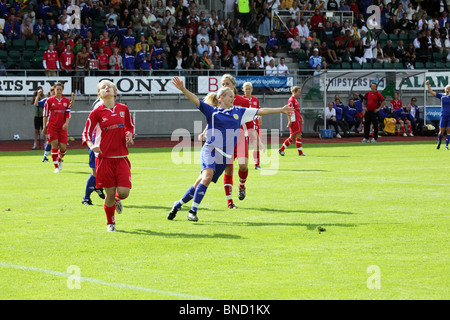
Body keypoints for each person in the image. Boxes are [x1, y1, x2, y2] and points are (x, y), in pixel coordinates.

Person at [167, 77, 292, 222]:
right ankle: (193, 211)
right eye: (230, 96)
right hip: (211, 150)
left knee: (200, 181)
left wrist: (281, 110)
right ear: (221, 98)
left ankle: (178, 204)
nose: (233, 98)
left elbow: (261, 110)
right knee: (207, 177)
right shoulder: (212, 111)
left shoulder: (239, 112)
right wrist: (182, 89)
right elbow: (195, 100)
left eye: (233, 95)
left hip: (224, 156)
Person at [81, 80, 135, 232]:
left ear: (115, 92)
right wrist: (92, 146)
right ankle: (110, 223)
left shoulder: (123, 108)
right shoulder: (97, 112)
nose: (106, 88)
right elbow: (85, 133)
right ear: (100, 94)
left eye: (109, 86)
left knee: (123, 193)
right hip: (104, 159)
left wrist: (129, 134)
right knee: (109, 194)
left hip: (121, 157)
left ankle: (118, 200)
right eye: (103, 87)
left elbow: (129, 126)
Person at [81, 98, 107, 206]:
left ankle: (98, 186)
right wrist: (91, 144)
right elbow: (90, 127)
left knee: (106, 170)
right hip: (97, 143)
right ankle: (86, 198)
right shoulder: (99, 106)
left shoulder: (115, 106)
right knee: (95, 172)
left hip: (107, 143)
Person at [42, 83, 72, 173]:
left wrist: (66, 123)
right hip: (52, 126)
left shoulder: (66, 100)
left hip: (62, 128)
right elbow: (45, 114)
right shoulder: (49, 101)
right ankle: (56, 167)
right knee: (54, 145)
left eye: (60, 89)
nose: (58, 91)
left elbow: (68, 114)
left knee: (63, 148)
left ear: (62, 90)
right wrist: (44, 127)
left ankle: (59, 160)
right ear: (54, 90)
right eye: (57, 89)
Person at [279, 86, 306, 156]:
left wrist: (301, 118)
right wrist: (290, 121)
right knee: (298, 135)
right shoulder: (291, 100)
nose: (300, 94)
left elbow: (297, 111)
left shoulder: (295, 99)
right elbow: (289, 111)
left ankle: (281, 149)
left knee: (292, 137)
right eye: (299, 92)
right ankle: (300, 153)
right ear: (294, 92)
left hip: (296, 119)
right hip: (294, 120)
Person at [242, 82, 264, 170]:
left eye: (249, 88)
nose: (247, 90)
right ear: (243, 90)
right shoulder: (241, 100)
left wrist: (260, 117)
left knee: (257, 144)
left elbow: (259, 111)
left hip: (255, 126)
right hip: (244, 126)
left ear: (252, 89)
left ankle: (257, 164)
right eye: (246, 88)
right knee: (243, 145)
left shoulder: (255, 99)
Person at [426, 80, 450, 150]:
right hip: (443, 116)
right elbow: (432, 92)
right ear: (445, 89)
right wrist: (428, 85)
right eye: (447, 88)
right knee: (441, 131)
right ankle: (439, 142)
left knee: (449, 130)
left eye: (449, 89)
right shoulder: (442, 96)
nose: (448, 90)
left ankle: (446, 145)